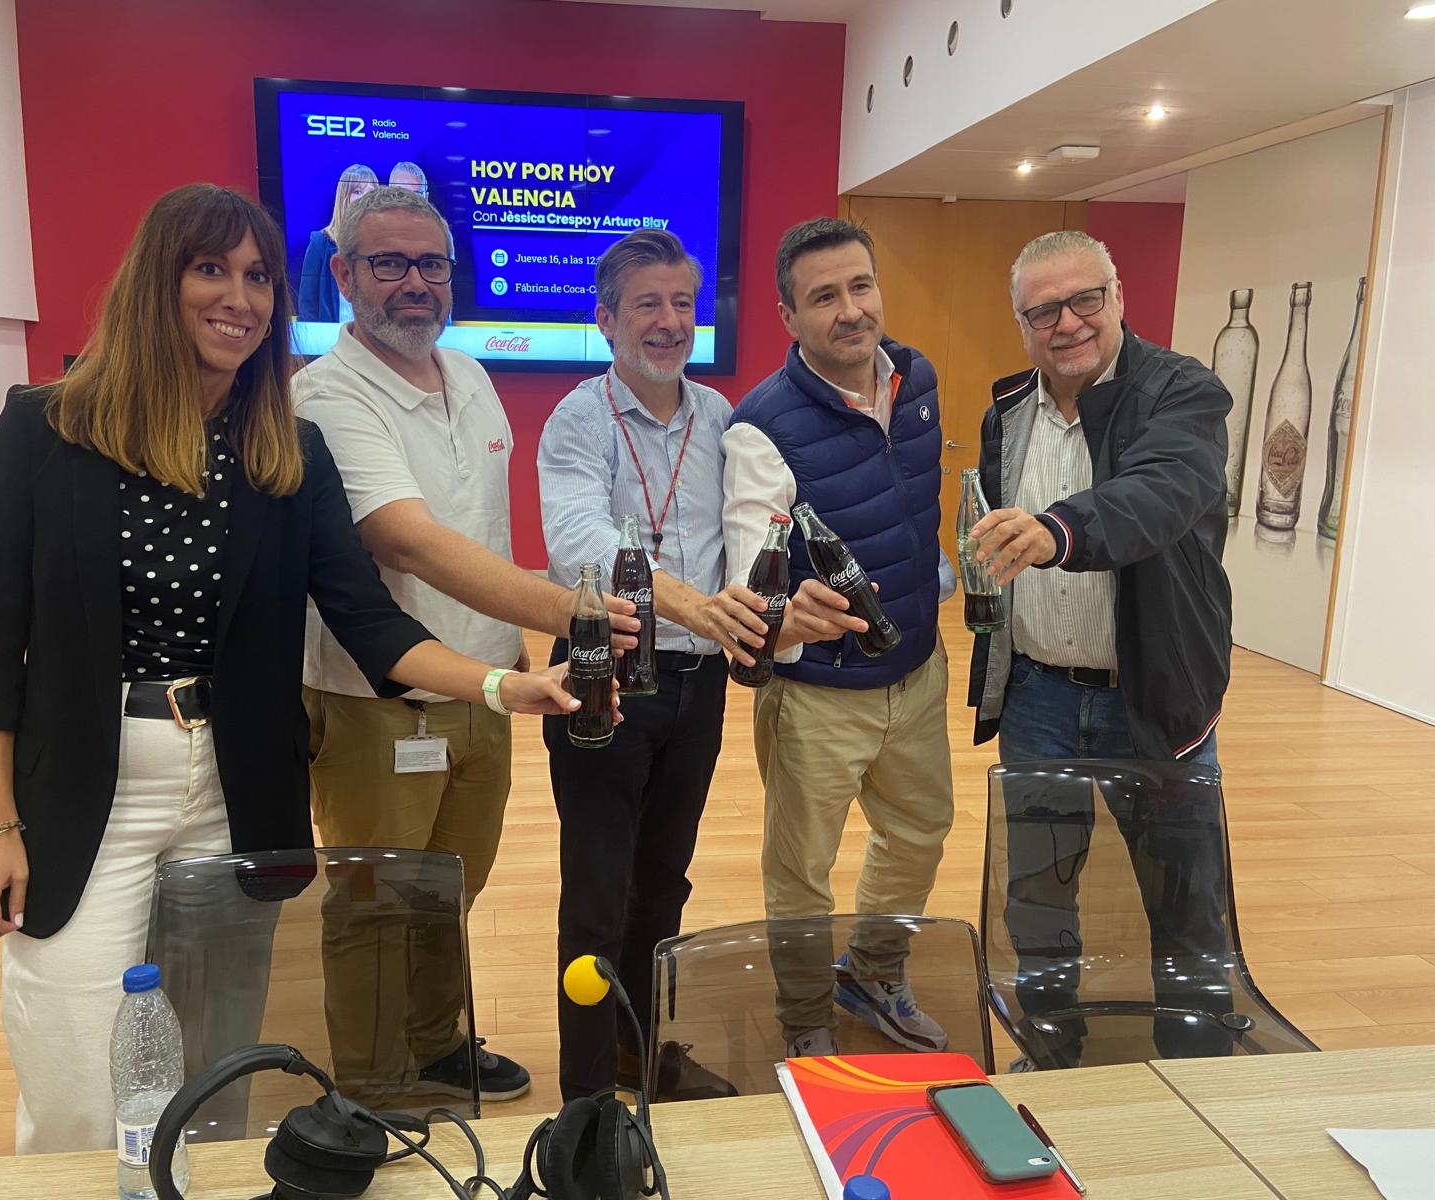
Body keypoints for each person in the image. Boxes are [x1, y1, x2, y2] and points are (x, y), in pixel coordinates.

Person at [0, 183, 587, 1154]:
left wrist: (502, 685)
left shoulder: (286, 451)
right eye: (210, 269)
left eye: (256, 277)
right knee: (77, 1078)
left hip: (232, 789)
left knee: (214, 1074)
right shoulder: (45, 429)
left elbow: (371, 625)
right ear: (156, 281)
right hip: (86, 787)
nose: (236, 296)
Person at [293, 184, 636, 1102]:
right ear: (343, 276)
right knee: (375, 902)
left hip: (488, 686)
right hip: (377, 702)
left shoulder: (470, 374)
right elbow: (407, 538)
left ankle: (434, 1042)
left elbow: (481, 531)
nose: (415, 282)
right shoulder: (324, 395)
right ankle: (370, 1086)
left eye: (431, 264)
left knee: (449, 888)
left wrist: (514, 648)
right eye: (389, 263)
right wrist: (574, 612)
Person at [966, 229, 1235, 1066]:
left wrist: (1058, 530)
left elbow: (1156, 495)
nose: (1068, 322)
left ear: (1119, 298)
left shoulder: (1184, 394)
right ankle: (1048, 1046)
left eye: (1086, 299)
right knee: (1036, 896)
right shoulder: (1006, 412)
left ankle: (1195, 1072)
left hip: (1154, 695)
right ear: (1021, 323)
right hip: (1039, 698)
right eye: (1043, 309)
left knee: (1184, 899)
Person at [537, 230, 777, 1102]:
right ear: (606, 320)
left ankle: (645, 1052)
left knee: (664, 880)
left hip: (698, 684)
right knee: (597, 891)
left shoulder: (722, 418)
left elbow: (756, 529)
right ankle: (588, 1095)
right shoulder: (578, 418)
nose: (671, 322)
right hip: (606, 675)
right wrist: (684, 601)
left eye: (684, 302)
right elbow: (575, 547)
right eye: (648, 304)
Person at [722, 217, 957, 1058]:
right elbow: (751, 582)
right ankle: (805, 1020)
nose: (851, 310)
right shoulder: (761, 427)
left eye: (861, 287)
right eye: (824, 297)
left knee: (921, 831)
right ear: (789, 316)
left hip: (916, 673)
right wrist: (784, 612)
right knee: (801, 871)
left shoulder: (917, 376)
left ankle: (874, 969)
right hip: (817, 696)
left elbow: (911, 501)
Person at [299, 164, 377, 322]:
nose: (364, 198)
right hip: (331, 339)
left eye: (370, 192)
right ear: (344, 199)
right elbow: (307, 304)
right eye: (357, 192)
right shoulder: (320, 242)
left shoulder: (382, 247)